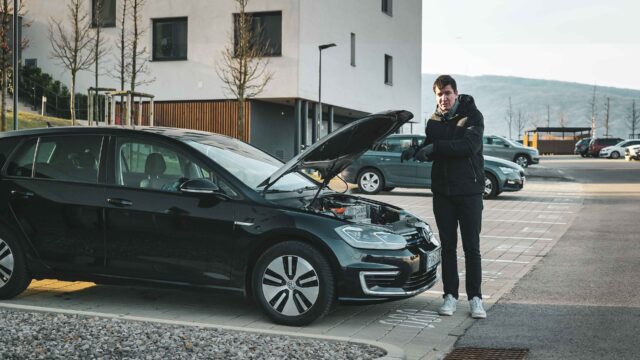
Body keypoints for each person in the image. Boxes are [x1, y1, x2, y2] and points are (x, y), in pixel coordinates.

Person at [402, 75, 486, 319]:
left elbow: (468, 147)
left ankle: (475, 299)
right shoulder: (433, 120)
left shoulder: (472, 116)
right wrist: (416, 151)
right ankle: (450, 296)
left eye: (447, 93)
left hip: (469, 192)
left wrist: (436, 148)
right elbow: (431, 145)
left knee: (472, 248)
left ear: (456, 94)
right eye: (439, 94)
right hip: (443, 193)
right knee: (448, 248)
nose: (444, 98)